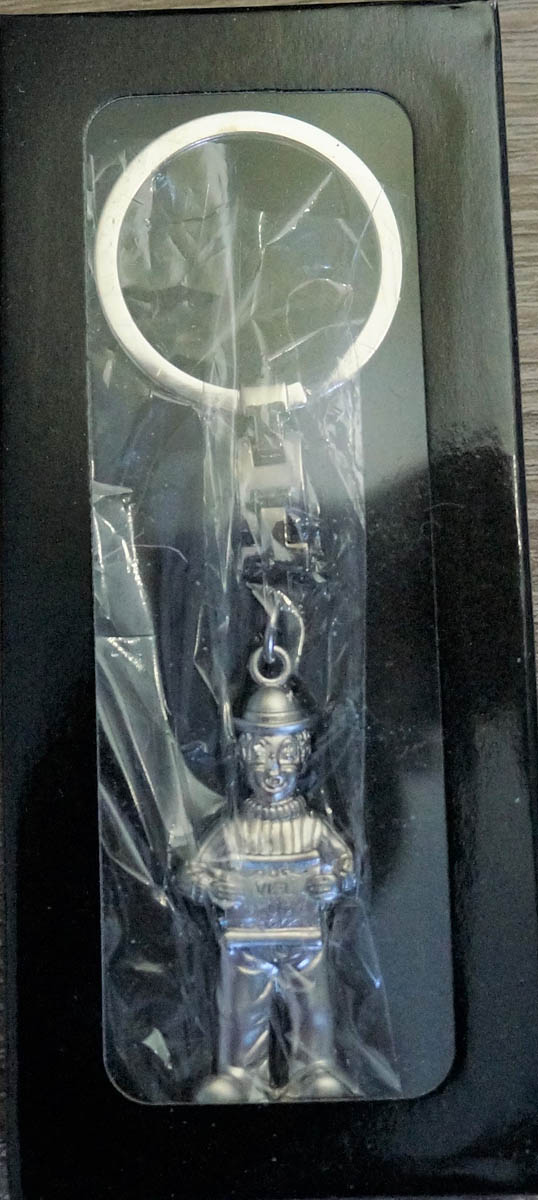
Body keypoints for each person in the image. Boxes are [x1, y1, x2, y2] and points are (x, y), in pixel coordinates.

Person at [186, 676, 355, 1102]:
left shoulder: (314, 828)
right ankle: (240, 1074)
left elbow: (347, 866)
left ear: (300, 756)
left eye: (284, 755)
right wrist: (213, 885)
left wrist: (333, 882)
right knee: (241, 1014)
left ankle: (314, 1068)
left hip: (304, 941)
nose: (273, 769)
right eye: (262, 755)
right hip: (246, 946)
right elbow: (192, 875)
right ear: (245, 757)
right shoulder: (233, 831)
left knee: (314, 1011)